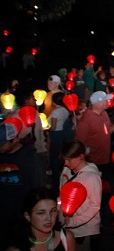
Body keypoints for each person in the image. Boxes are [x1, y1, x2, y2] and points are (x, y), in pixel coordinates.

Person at [0, 121, 43, 250]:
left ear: (15, 140)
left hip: (21, 214)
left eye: (2, 144)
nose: (0, 147)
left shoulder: (29, 158)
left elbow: (37, 186)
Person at [59, 140, 103, 250]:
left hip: (84, 231)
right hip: (67, 227)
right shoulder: (67, 169)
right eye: (64, 159)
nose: (66, 163)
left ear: (81, 156)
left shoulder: (91, 178)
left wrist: (73, 221)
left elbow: (94, 206)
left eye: (69, 160)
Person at [5, 187, 76, 251]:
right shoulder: (16, 248)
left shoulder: (66, 239)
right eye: (41, 213)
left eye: (52, 211)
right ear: (27, 216)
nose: (49, 218)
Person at [75, 91, 114, 190]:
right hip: (93, 162)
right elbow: (79, 142)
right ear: (98, 103)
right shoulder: (86, 120)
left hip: (106, 158)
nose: (108, 101)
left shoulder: (104, 114)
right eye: (106, 100)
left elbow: (108, 132)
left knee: (106, 187)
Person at [48, 92, 75, 190]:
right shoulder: (65, 110)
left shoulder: (55, 112)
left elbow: (53, 126)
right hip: (63, 134)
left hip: (55, 134)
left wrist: (47, 129)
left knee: (54, 156)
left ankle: (55, 182)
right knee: (61, 155)